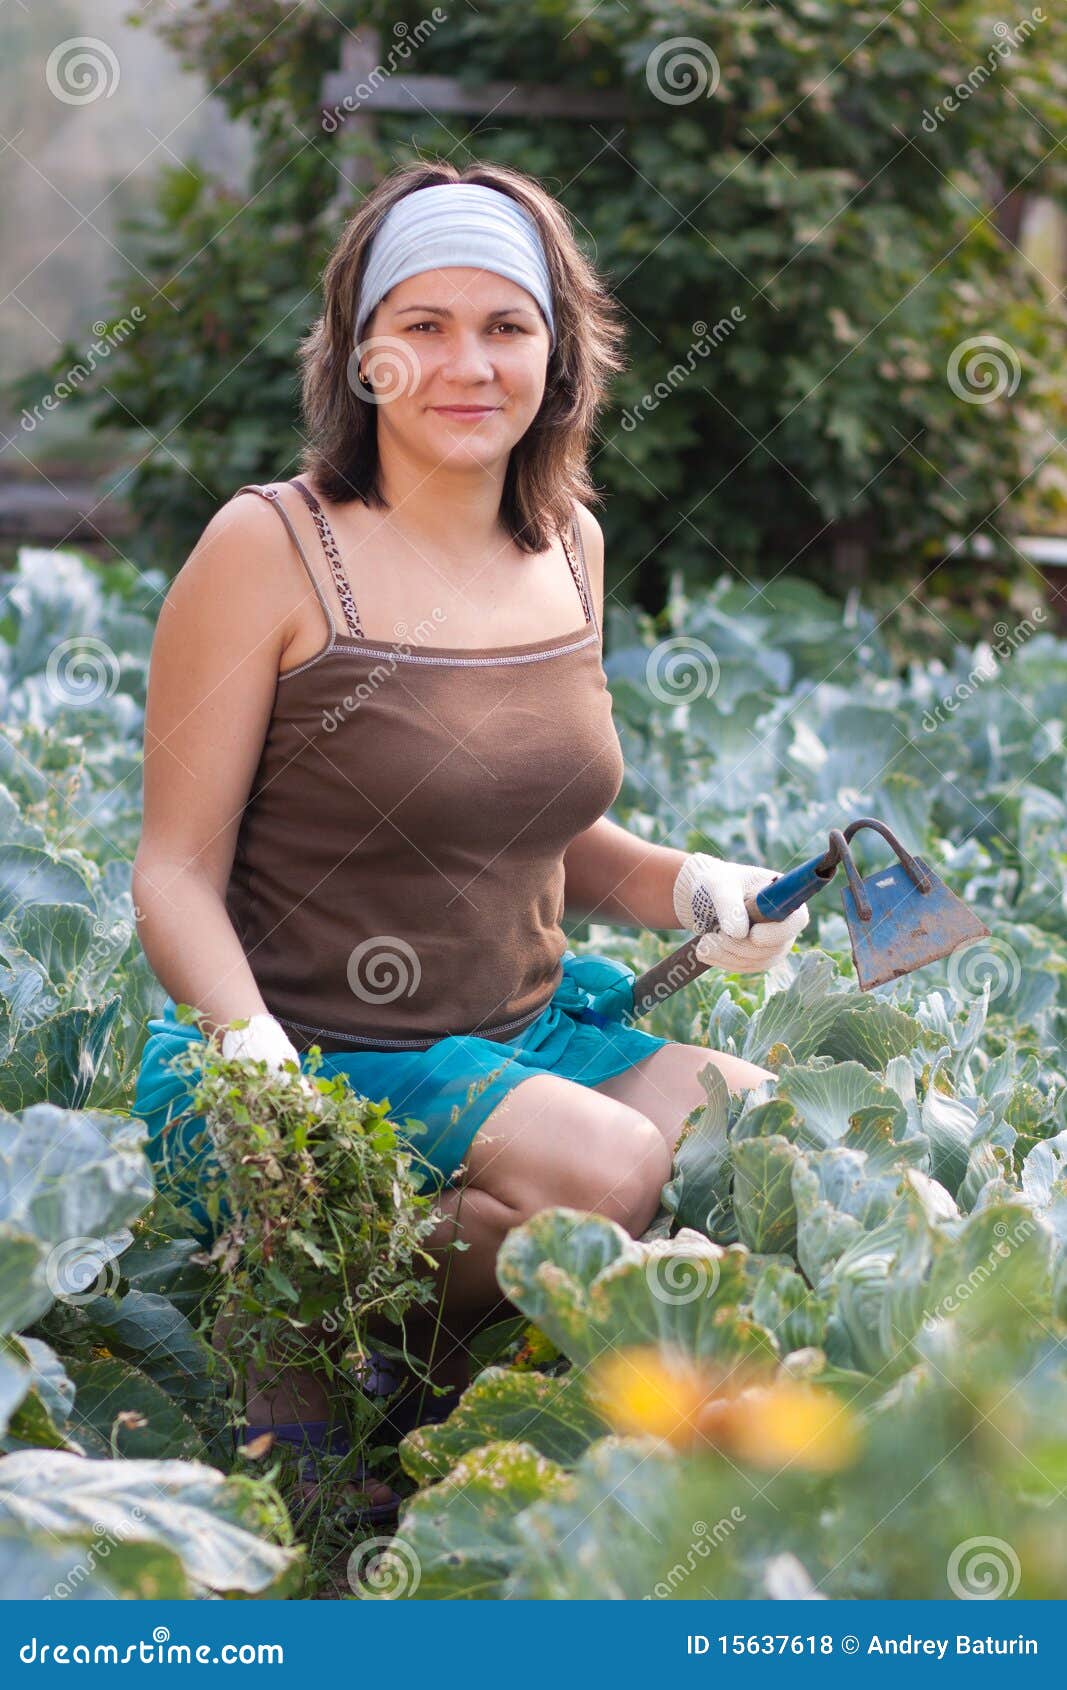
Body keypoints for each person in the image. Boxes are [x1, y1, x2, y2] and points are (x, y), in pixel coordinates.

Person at [131, 158, 807, 1474]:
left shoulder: (569, 544)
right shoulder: (268, 548)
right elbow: (171, 872)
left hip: (525, 1034)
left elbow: (539, 832)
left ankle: (430, 1356)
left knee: (767, 1127)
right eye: (422, 326)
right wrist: (256, 1052)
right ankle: (301, 1288)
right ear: (361, 354)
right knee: (607, 1172)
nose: (467, 362)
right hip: (318, 1060)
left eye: (506, 326)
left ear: (559, 356)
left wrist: (691, 887)